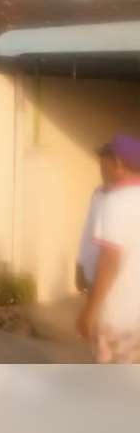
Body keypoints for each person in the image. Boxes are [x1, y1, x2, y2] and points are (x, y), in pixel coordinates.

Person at [76, 134, 140, 363]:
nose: (100, 169)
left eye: (102, 163)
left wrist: (90, 311)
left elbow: (110, 260)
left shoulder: (117, 201)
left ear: (117, 163)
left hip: (115, 314)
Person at [75, 144, 118, 293]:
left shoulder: (131, 198)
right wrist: (80, 265)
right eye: (100, 164)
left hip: (115, 278)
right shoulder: (98, 194)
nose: (102, 170)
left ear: (117, 165)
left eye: (105, 164)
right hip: (92, 273)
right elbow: (88, 230)